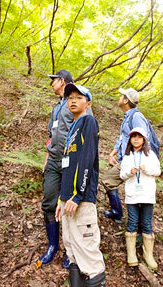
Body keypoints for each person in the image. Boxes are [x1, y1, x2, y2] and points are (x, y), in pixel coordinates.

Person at [37, 70, 93, 268]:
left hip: (71, 162)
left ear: (61, 81)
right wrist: (46, 158)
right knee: (49, 202)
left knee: (70, 202)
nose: (51, 84)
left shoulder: (79, 103)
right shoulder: (57, 107)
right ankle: (53, 245)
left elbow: (87, 133)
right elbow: (51, 135)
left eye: (53, 81)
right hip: (53, 161)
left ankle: (72, 249)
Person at [55, 83, 106, 286]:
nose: (73, 100)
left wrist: (77, 194)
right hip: (69, 200)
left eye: (78, 97)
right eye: (70, 98)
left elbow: (86, 159)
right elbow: (68, 167)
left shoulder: (89, 122)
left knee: (87, 251)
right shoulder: (73, 127)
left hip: (81, 200)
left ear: (88, 103)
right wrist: (62, 198)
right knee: (73, 249)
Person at [103, 88, 149, 223]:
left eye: (122, 96)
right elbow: (123, 137)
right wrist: (114, 152)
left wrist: (136, 160)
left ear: (126, 100)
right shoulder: (128, 116)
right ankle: (118, 214)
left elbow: (143, 138)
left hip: (134, 161)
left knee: (109, 181)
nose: (119, 98)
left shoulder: (136, 117)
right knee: (110, 181)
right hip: (126, 159)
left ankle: (125, 219)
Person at [120, 127, 161, 269]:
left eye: (139, 136)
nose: (136, 139)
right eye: (133, 136)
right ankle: (131, 253)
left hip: (147, 194)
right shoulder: (127, 156)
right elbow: (121, 175)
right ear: (130, 139)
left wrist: (146, 169)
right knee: (132, 222)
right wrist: (129, 172)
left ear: (144, 139)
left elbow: (158, 171)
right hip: (132, 194)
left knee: (147, 223)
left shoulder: (151, 155)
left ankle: (148, 254)